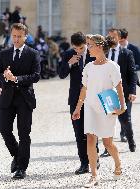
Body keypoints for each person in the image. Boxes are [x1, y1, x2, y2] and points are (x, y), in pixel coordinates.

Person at [72, 34, 126, 187]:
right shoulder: (88, 67)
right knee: (90, 138)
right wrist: (78, 108)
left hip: (106, 107)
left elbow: (119, 87)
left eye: (90, 45)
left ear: (100, 46)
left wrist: (122, 107)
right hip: (90, 106)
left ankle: (118, 164)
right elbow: (84, 88)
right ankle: (94, 176)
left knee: (107, 143)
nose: (87, 48)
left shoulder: (112, 66)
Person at [0, 23, 40, 179]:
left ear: (25, 36)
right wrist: (4, 76)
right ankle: (17, 155)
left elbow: (36, 76)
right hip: (7, 98)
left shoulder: (33, 54)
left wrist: (17, 79)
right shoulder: (4, 53)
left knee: (24, 134)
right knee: (5, 130)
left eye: (19, 36)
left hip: (25, 98)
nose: (16, 39)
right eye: (14, 36)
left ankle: (22, 168)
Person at [59, 32, 97, 175]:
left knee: (92, 131)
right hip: (75, 99)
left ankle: (95, 158)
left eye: (81, 48)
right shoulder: (68, 54)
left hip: (92, 98)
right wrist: (69, 63)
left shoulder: (94, 52)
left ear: (86, 44)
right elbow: (61, 74)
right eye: (76, 48)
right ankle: (84, 163)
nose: (78, 51)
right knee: (79, 132)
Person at [101, 28, 137, 157]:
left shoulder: (127, 53)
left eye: (113, 36)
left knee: (125, 119)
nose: (110, 38)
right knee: (108, 120)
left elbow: (132, 75)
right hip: (108, 91)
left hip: (124, 91)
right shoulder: (103, 53)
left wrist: (133, 91)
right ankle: (108, 148)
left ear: (120, 38)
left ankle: (131, 141)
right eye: (108, 36)